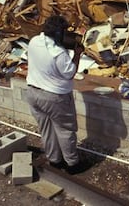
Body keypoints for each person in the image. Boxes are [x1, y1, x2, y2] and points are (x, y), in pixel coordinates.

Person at [26, 15, 86, 174]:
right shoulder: (58, 53)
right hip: (54, 98)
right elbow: (69, 73)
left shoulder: (33, 41)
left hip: (33, 93)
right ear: (58, 33)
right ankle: (72, 165)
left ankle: (54, 160)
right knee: (65, 130)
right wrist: (78, 54)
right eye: (64, 32)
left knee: (47, 129)